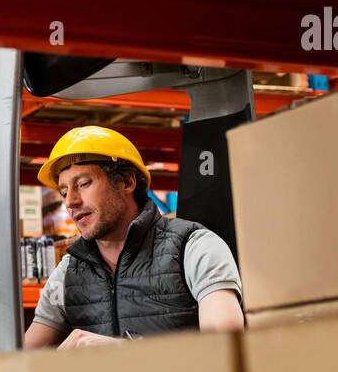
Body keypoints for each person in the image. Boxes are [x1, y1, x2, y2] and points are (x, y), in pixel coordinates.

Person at [24, 126, 244, 350]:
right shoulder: (67, 273)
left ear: (127, 182)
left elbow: (227, 348)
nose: (71, 201)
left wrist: (126, 352)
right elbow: (23, 358)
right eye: (63, 192)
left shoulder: (194, 247)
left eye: (83, 184)